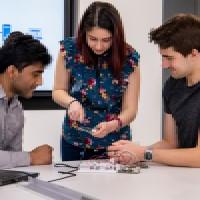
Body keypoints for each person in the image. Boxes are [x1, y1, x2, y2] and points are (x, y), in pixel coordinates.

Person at [108, 13, 200, 167]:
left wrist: (144, 154)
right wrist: (134, 152)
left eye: (169, 58)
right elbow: (170, 143)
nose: (164, 65)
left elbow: (198, 157)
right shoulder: (172, 85)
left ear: (194, 53)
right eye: (162, 57)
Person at [52, 1, 140, 161]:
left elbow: (131, 109)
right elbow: (58, 91)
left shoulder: (129, 58)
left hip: (115, 143)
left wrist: (114, 124)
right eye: (93, 39)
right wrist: (72, 103)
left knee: (114, 186)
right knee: (73, 185)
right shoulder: (70, 50)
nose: (99, 46)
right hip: (75, 141)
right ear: (84, 32)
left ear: (116, 36)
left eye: (106, 40)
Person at [0, 31, 53, 169]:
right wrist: (31, 157)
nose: (40, 82)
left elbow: (12, 160)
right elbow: (20, 159)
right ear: (12, 71)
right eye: (35, 75)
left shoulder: (16, 108)